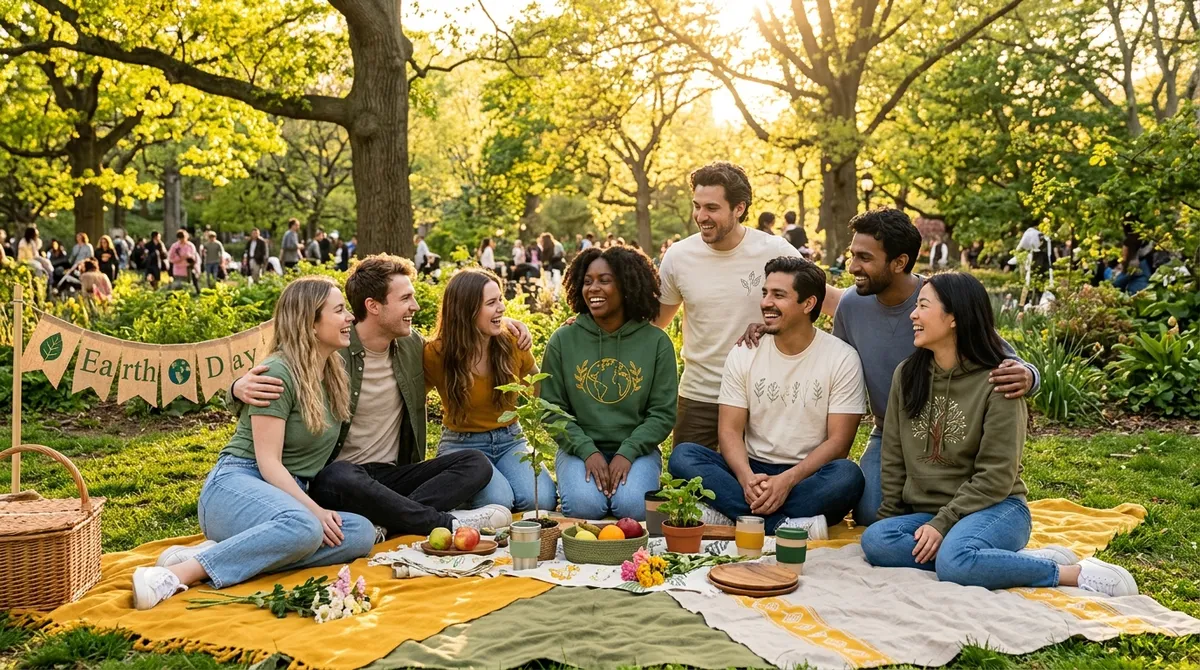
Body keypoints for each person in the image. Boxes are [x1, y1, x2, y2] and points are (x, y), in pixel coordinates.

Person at [743, 208, 1039, 527]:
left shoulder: (937, 299)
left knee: (935, 506)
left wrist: (1030, 375)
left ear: (899, 262)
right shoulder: (852, 306)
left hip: (956, 432)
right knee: (870, 513)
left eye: (865, 258)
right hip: (890, 431)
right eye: (852, 255)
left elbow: (997, 351)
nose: (853, 266)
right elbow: (826, 357)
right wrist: (774, 330)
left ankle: (954, 520)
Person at [861, 272, 1137, 596]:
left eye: (923, 306)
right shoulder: (907, 374)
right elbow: (893, 455)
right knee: (876, 540)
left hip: (996, 509)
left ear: (954, 318)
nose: (913, 314)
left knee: (954, 562)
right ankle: (998, 561)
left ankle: (1072, 573)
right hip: (930, 511)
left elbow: (997, 476)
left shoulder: (1000, 381)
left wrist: (943, 524)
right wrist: (891, 520)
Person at [131, 276, 376, 610]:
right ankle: (174, 576)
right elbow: (268, 462)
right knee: (305, 527)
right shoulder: (278, 372)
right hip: (237, 484)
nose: (350, 317)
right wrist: (314, 510)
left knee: (360, 532)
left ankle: (212, 555)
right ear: (310, 323)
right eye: (339, 310)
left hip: (286, 495)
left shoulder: (332, 371)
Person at [232, 256, 512, 538]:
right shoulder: (331, 349)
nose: (415, 306)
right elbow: (281, 374)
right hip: (337, 480)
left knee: (474, 463)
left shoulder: (412, 346)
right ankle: (443, 523)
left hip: (391, 476)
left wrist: (506, 323)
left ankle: (390, 523)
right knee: (341, 475)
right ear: (373, 306)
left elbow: (457, 342)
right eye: (405, 299)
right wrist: (236, 388)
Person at [669, 257, 865, 537]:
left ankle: (736, 517)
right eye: (765, 293)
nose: (765, 303)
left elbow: (839, 443)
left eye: (779, 295)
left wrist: (786, 481)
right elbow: (729, 430)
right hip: (750, 467)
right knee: (683, 456)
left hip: (806, 475)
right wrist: (747, 479)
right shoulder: (745, 351)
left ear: (808, 304)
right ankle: (784, 527)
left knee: (848, 476)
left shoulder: (841, 358)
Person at [656, 161, 801, 449]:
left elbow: (816, 301)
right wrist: (592, 326)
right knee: (686, 482)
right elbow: (652, 322)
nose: (701, 216)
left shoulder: (775, 251)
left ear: (739, 208)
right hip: (700, 396)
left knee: (759, 486)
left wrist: (776, 324)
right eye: (697, 206)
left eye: (711, 208)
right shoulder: (678, 256)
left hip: (763, 395)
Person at [542, 246, 678, 521]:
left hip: (636, 450)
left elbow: (662, 414)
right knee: (584, 508)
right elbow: (551, 409)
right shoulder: (563, 339)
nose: (594, 288)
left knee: (633, 508)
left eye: (605, 280)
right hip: (579, 449)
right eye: (588, 281)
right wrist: (587, 451)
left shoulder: (656, 343)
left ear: (626, 284)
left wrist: (627, 453)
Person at [424, 269, 557, 512]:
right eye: (492, 303)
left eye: (501, 300)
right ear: (468, 310)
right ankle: (463, 491)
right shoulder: (437, 354)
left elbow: (540, 389)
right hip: (461, 445)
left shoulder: (512, 342)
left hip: (510, 439)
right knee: (499, 503)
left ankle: (480, 491)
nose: (502, 308)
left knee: (541, 500)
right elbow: (413, 402)